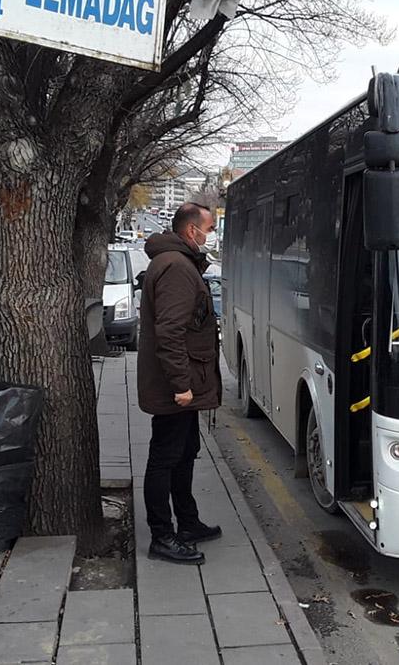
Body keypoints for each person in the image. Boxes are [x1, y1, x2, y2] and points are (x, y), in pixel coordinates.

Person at [138, 202, 223, 564]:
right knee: (165, 457)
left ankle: (187, 522)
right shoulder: (175, 267)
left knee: (185, 452)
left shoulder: (178, 262)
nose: (210, 235)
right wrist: (181, 384)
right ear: (192, 230)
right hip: (175, 387)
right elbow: (170, 331)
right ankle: (162, 535)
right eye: (209, 228)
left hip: (182, 381)